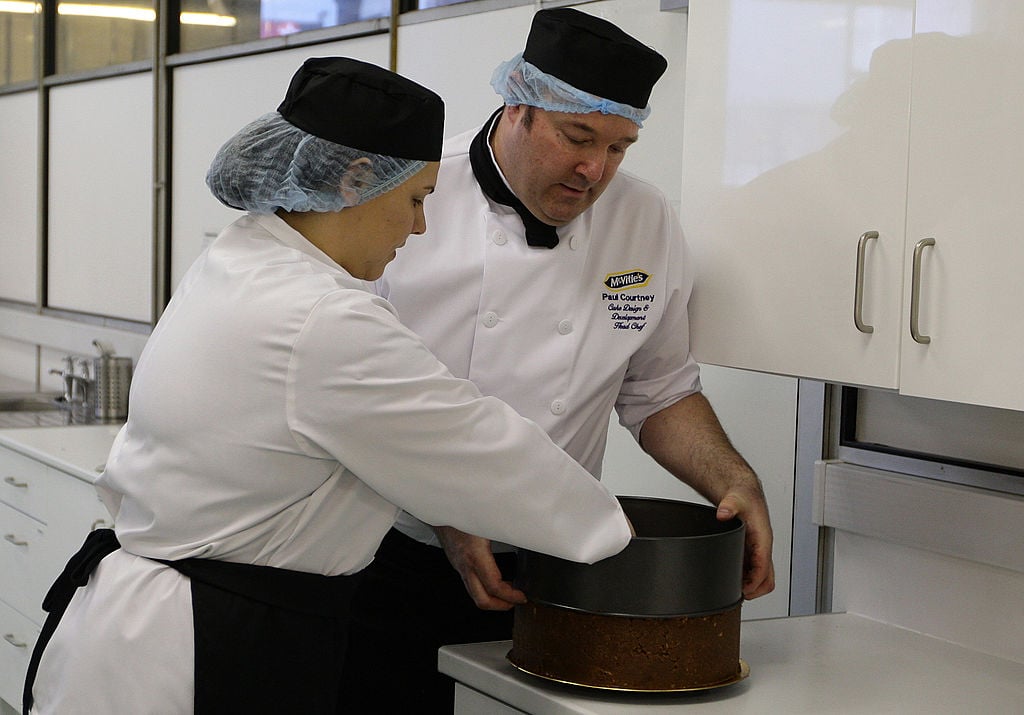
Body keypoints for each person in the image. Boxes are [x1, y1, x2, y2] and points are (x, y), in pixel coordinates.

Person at [22, 56, 634, 714]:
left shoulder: (245, 252)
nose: (420, 226)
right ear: (355, 179)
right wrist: (625, 543)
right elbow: (485, 450)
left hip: (140, 622)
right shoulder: (324, 319)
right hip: (202, 644)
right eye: (416, 198)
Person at [339, 7, 777, 712]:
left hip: (559, 572)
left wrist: (736, 478)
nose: (594, 169)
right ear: (517, 106)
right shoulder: (412, 198)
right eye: (577, 137)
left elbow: (658, 389)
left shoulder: (646, 220)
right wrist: (450, 509)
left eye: (620, 148)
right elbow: (351, 396)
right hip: (389, 560)